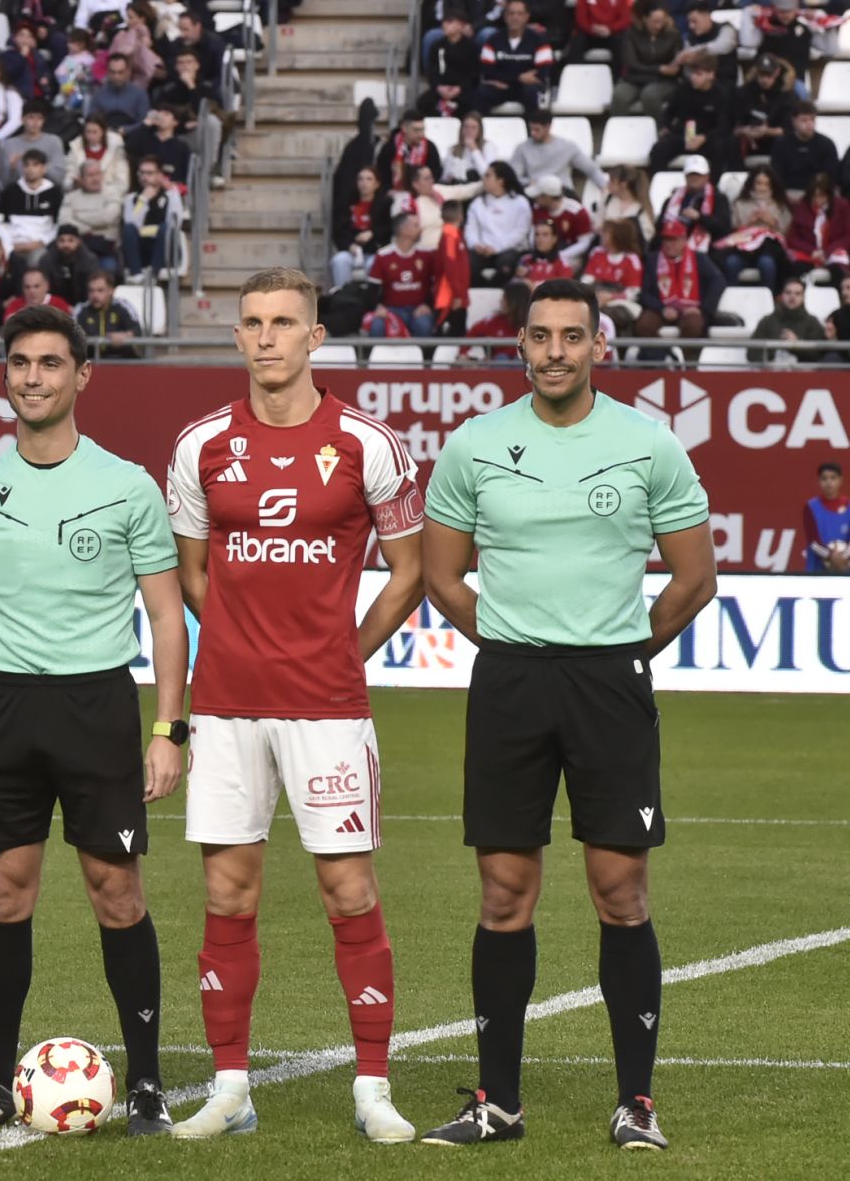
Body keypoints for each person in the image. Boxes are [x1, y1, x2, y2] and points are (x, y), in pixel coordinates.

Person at [419, 277, 715, 1151]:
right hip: (510, 685)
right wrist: (514, 642)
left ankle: (637, 1105)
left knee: (621, 892)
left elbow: (695, 577)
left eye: (572, 336)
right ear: (520, 343)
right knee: (504, 893)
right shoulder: (474, 446)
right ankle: (498, 1105)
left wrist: (620, 651)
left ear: (599, 346)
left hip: (609, 685)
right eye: (541, 335)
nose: (555, 351)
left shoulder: (648, 444)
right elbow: (442, 576)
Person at [162, 265, 424, 1144]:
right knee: (227, 892)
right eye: (252, 322)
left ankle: (373, 1087)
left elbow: (409, 573)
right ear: (237, 336)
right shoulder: (201, 444)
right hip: (227, 704)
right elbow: (192, 572)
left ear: (316, 337)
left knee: (348, 892)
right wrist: (243, 642)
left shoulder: (366, 443)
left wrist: (342, 651)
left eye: (283, 322)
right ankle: (230, 1088)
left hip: (328, 708)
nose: (266, 336)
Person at [0, 301, 183, 1137]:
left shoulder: (126, 485)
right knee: (5, 893)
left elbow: (167, 615)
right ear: (6, 375)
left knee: (117, 891)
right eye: (21, 364)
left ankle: (147, 1082)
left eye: (50, 363)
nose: (33, 378)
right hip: (0, 706)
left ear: (82, 375)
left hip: (97, 704)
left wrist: (167, 728)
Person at [747, 275, 828, 362]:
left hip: (803, 370)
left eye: (797, 293)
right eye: (788, 292)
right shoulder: (767, 321)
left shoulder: (812, 322)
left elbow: (818, 355)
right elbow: (751, 354)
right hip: (772, 369)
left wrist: (797, 345)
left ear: (803, 298)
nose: (792, 297)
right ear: (782, 295)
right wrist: (776, 349)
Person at [801, 462, 850, 572]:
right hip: (817, 570)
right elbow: (812, 541)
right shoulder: (811, 507)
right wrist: (830, 556)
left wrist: (843, 557)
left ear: (840, 480)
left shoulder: (849, 506)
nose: (829, 482)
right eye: (824, 478)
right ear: (819, 481)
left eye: (833, 478)